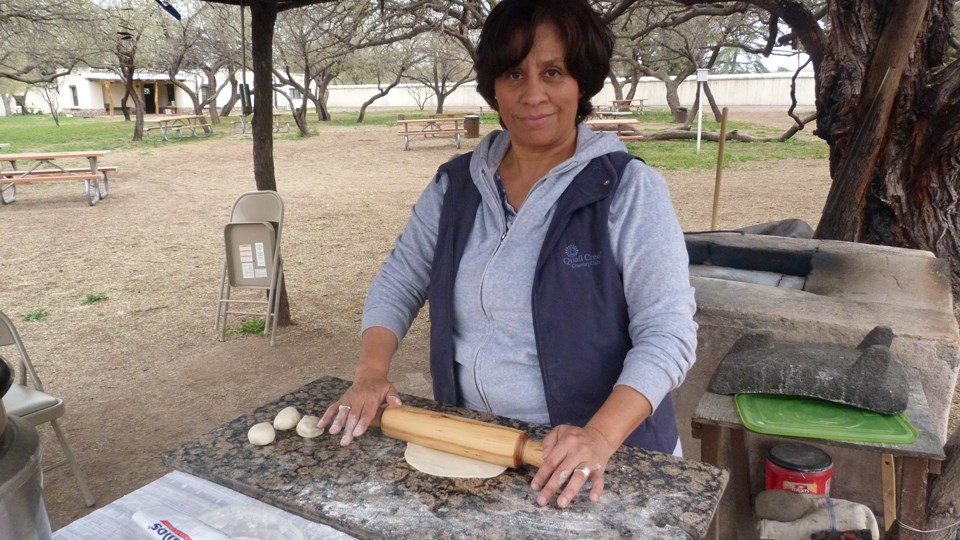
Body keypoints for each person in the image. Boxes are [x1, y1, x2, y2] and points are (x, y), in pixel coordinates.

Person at [318, 0, 697, 509]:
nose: (533, 94)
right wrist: (370, 372)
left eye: (553, 72)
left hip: (600, 457)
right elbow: (402, 278)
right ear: (493, 85)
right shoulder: (455, 186)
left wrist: (599, 437)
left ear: (580, 82)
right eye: (514, 73)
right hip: (477, 445)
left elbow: (668, 333)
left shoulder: (627, 190)